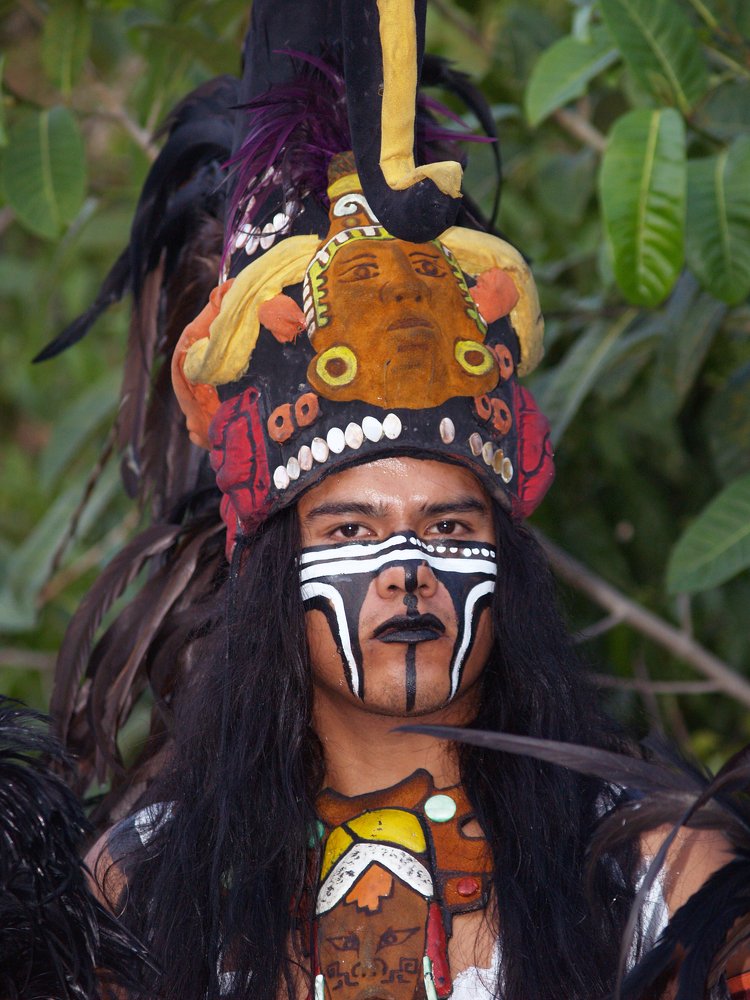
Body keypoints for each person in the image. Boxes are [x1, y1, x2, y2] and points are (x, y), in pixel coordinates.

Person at [43, 3, 747, 999]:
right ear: (276, 574)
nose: (407, 570)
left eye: (450, 526)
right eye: (351, 528)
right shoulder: (145, 886)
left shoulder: (654, 878)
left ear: (508, 565)